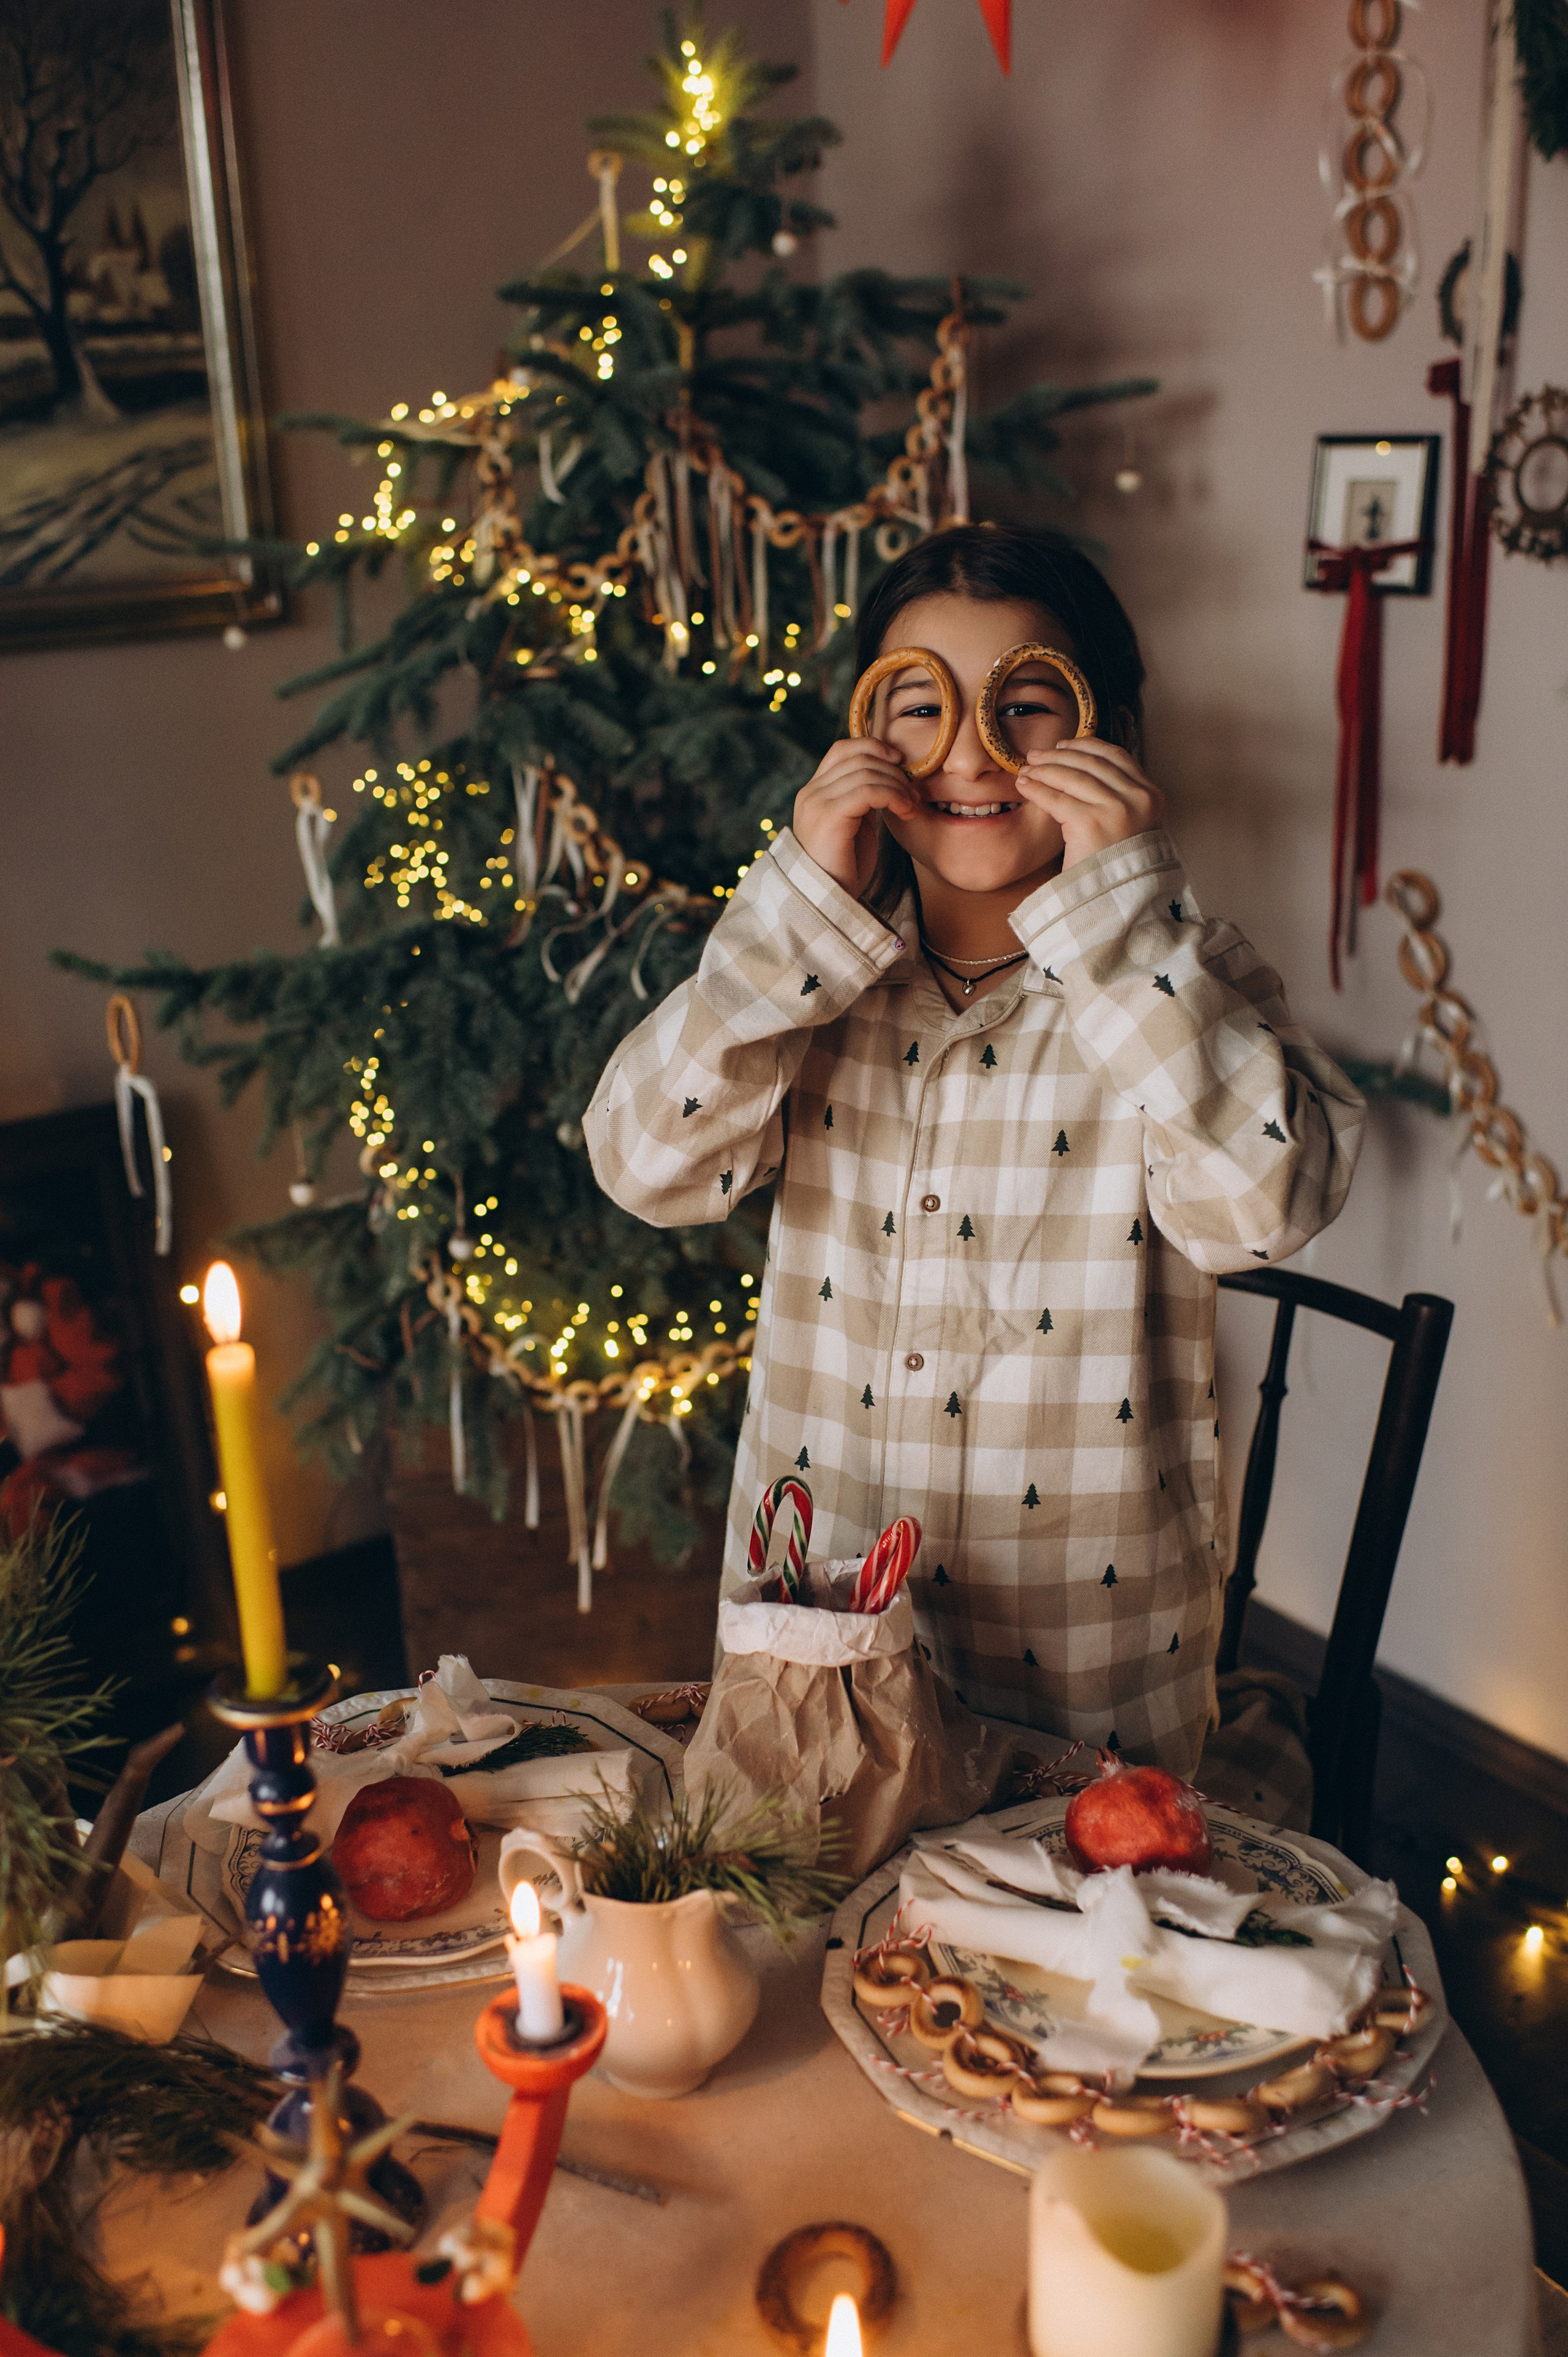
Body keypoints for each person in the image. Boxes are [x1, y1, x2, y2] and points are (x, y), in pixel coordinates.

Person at [585, 525, 1363, 1773]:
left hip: (1081, 1677)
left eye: (1026, 704)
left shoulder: (1183, 985)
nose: (962, 751)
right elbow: (641, 1164)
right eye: (915, 704)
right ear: (862, 739)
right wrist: (798, 904)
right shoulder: (808, 982)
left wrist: (1118, 923)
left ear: (1109, 731)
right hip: (816, 1653)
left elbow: (1261, 1207)